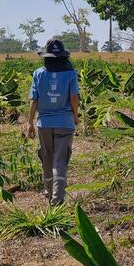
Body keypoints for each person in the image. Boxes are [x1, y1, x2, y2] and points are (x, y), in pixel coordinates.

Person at [26, 39, 80, 205]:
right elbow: (74, 98)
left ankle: (50, 194)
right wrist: (76, 115)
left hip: (44, 124)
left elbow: (34, 100)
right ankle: (57, 199)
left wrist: (30, 123)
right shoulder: (71, 73)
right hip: (65, 123)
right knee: (60, 161)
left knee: (47, 159)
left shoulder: (38, 74)